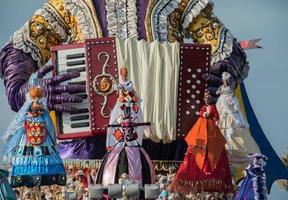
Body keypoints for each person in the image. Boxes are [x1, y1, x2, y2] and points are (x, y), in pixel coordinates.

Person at [0, 0, 248, 160]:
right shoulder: (70, 3)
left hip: (164, 144)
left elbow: (227, 48)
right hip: (89, 148)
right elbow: (19, 49)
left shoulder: (178, 2)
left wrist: (220, 74)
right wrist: (30, 91)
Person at [3, 73, 66, 187]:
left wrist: (54, 140)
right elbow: (49, 128)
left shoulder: (40, 115)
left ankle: (40, 178)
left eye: (39, 103)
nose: (38, 105)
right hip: (32, 140)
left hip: (39, 139)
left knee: (39, 158)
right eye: (36, 103)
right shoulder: (33, 116)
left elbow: (50, 128)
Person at [169, 91, 232, 195]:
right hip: (201, 131)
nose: (207, 99)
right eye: (205, 97)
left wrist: (210, 115)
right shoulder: (203, 108)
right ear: (204, 99)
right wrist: (205, 114)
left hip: (211, 131)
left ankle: (212, 185)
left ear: (211, 99)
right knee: (196, 151)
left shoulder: (213, 107)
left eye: (208, 97)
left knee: (213, 152)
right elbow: (202, 114)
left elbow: (216, 116)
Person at [96, 87, 155, 186]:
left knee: (137, 169)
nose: (127, 129)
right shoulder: (119, 111)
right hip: (120, 147)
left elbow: (141, 124)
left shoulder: (135, 111)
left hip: (133, 148)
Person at [216, 72, 260, 165]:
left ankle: (238, 152)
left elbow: (231, 97)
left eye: (226, 80)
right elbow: (218, 93)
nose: (225, 81)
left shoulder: (231, 88)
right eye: (224, 79)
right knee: (222, 127)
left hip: (230, 108)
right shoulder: (221, 88)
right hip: (222, 107)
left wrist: (229, 100)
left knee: (234, 128)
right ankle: (225, 151)